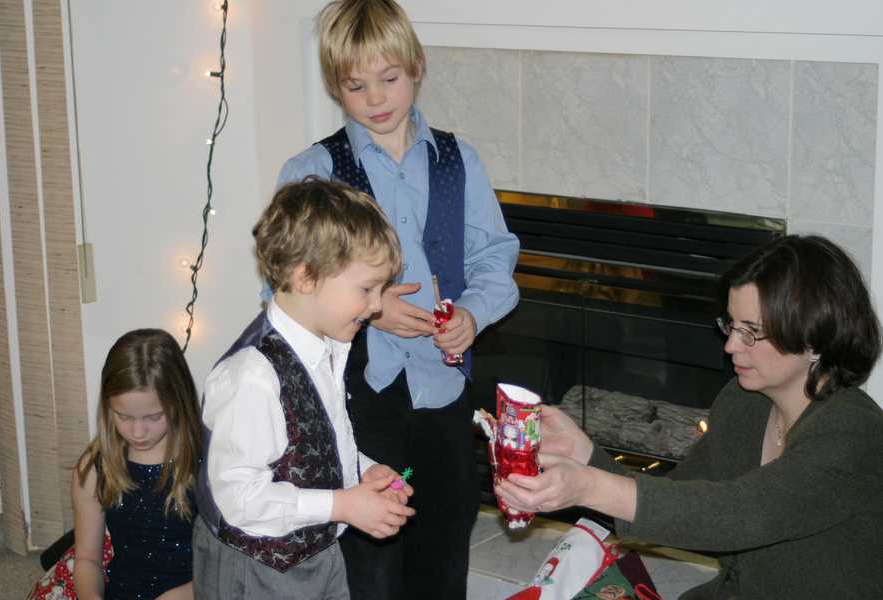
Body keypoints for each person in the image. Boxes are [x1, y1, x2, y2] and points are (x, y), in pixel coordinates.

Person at [275, 2, 520, 597]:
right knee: (372, 565)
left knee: (445, 547)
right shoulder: (313, 172)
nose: (376, 99)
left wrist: (472, 314)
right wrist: (370, 307)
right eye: (356, 86)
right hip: (360, 403)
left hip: (444, 395)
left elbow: (496, 259)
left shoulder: (459, 162)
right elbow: (284, 292)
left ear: (416, 68)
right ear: (335, 86)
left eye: (389, 79)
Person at [496, 234, 883, 598]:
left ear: (814, 339)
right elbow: (681, 505)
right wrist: (583, 453)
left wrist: (587, 486)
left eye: (751, 332)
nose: (730, 345)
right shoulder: (745, 402)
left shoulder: (854, 432)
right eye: (731, 325)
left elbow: (742, 514)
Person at [193, 178, 415, 600]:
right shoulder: (252, 377)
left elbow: (318, 441)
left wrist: (362, 469)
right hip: (258, 571)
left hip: (318, 551)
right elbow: (239, 498)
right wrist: (342, 505)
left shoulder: (327, 345)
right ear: (307, 277)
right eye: (367, 289)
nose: (377, 306)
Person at [72, 328, 202, 600]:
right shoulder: (94, 467)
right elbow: (87, 559)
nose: (138, 432)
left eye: (154, 417)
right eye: (123, 417)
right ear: (107, 406)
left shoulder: (207, 463)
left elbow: (226, 566)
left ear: (179, 402)